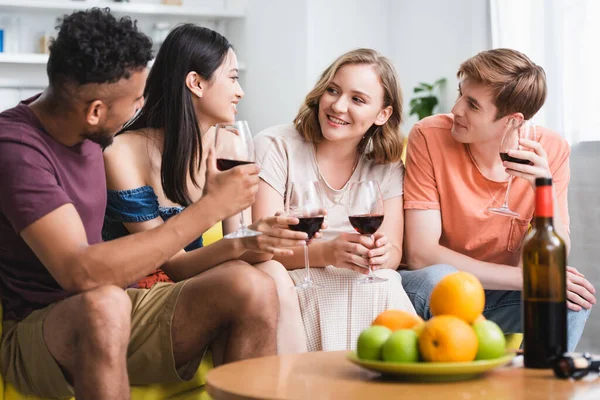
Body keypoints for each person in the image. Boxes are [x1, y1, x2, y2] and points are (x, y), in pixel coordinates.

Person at [0, 9, 279, 399]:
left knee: (251, 286)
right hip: (40, 327)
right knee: (104, 305)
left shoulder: (81, 122)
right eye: (134, 100)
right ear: (96, 110)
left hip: (125, 301)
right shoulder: (17, 149)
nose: (141, 108)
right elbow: (79, 274)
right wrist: (209, 208)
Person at [102, 23, 309, 354]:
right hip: (138, 290)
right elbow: (173, 264)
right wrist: (243, 242)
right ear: (196, 82)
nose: (240, 91)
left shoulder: (230, 142)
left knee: (271, 269)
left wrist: (273, 236)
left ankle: (299, 386)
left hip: (196, 279)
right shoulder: (122, 152)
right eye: (232, 77)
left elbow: (243, 246)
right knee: (249, 282)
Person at [401, 48, 595, 351]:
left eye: (472, 105)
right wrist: (527, 280)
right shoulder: (429, 136)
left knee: (572, 297)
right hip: (433, 290)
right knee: (440, 278)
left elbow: (554, 257)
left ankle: (540, 388)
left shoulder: (550, 149)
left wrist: (543, 187)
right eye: (460, 95)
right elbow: (420, 255)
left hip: (497, 295)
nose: (455, 108)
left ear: (511, 120)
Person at [253, 48, 416, 352]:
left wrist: (380, 254)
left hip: (360, 279)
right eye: (333, 90)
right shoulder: (275, 146)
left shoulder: (387, 165)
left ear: (383, 114)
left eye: (357, 99)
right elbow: (263, 249)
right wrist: (327, 253)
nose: (338, 106)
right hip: (292, 281)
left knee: (388, 282)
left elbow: (393, 251)